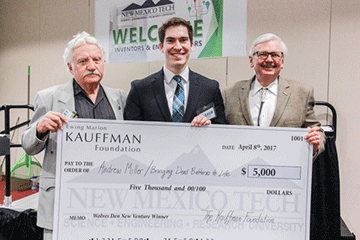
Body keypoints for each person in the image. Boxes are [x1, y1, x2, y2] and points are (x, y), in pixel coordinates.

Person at [21, 31, 127, 239]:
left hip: (110, 200)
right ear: (71, 67)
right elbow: (28, 145)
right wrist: (40, 128)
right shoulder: (49, 97)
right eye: (83, 61)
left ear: (103, 62)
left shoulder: (119, 98)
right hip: (64, 201)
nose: (91, 65)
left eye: (96, 59)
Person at [223, 33, 325, 154]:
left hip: (284, 167)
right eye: (263, 54)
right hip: (239, 166)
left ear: (282, 62)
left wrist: (316, 144)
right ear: (251, 60)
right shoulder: (230, 93)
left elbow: (317, 131)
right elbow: (219, 132)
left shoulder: (302, 93)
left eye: (275, 55)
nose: (270, 60)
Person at [124, 17, 226, 126]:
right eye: (170, 40)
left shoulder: (210, 89)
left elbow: (221, 131)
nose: (177, 47)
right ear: (161, 47)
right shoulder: (140, 90)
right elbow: (131, 134)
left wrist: (209, 127)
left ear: (191, 45)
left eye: (183, 40)